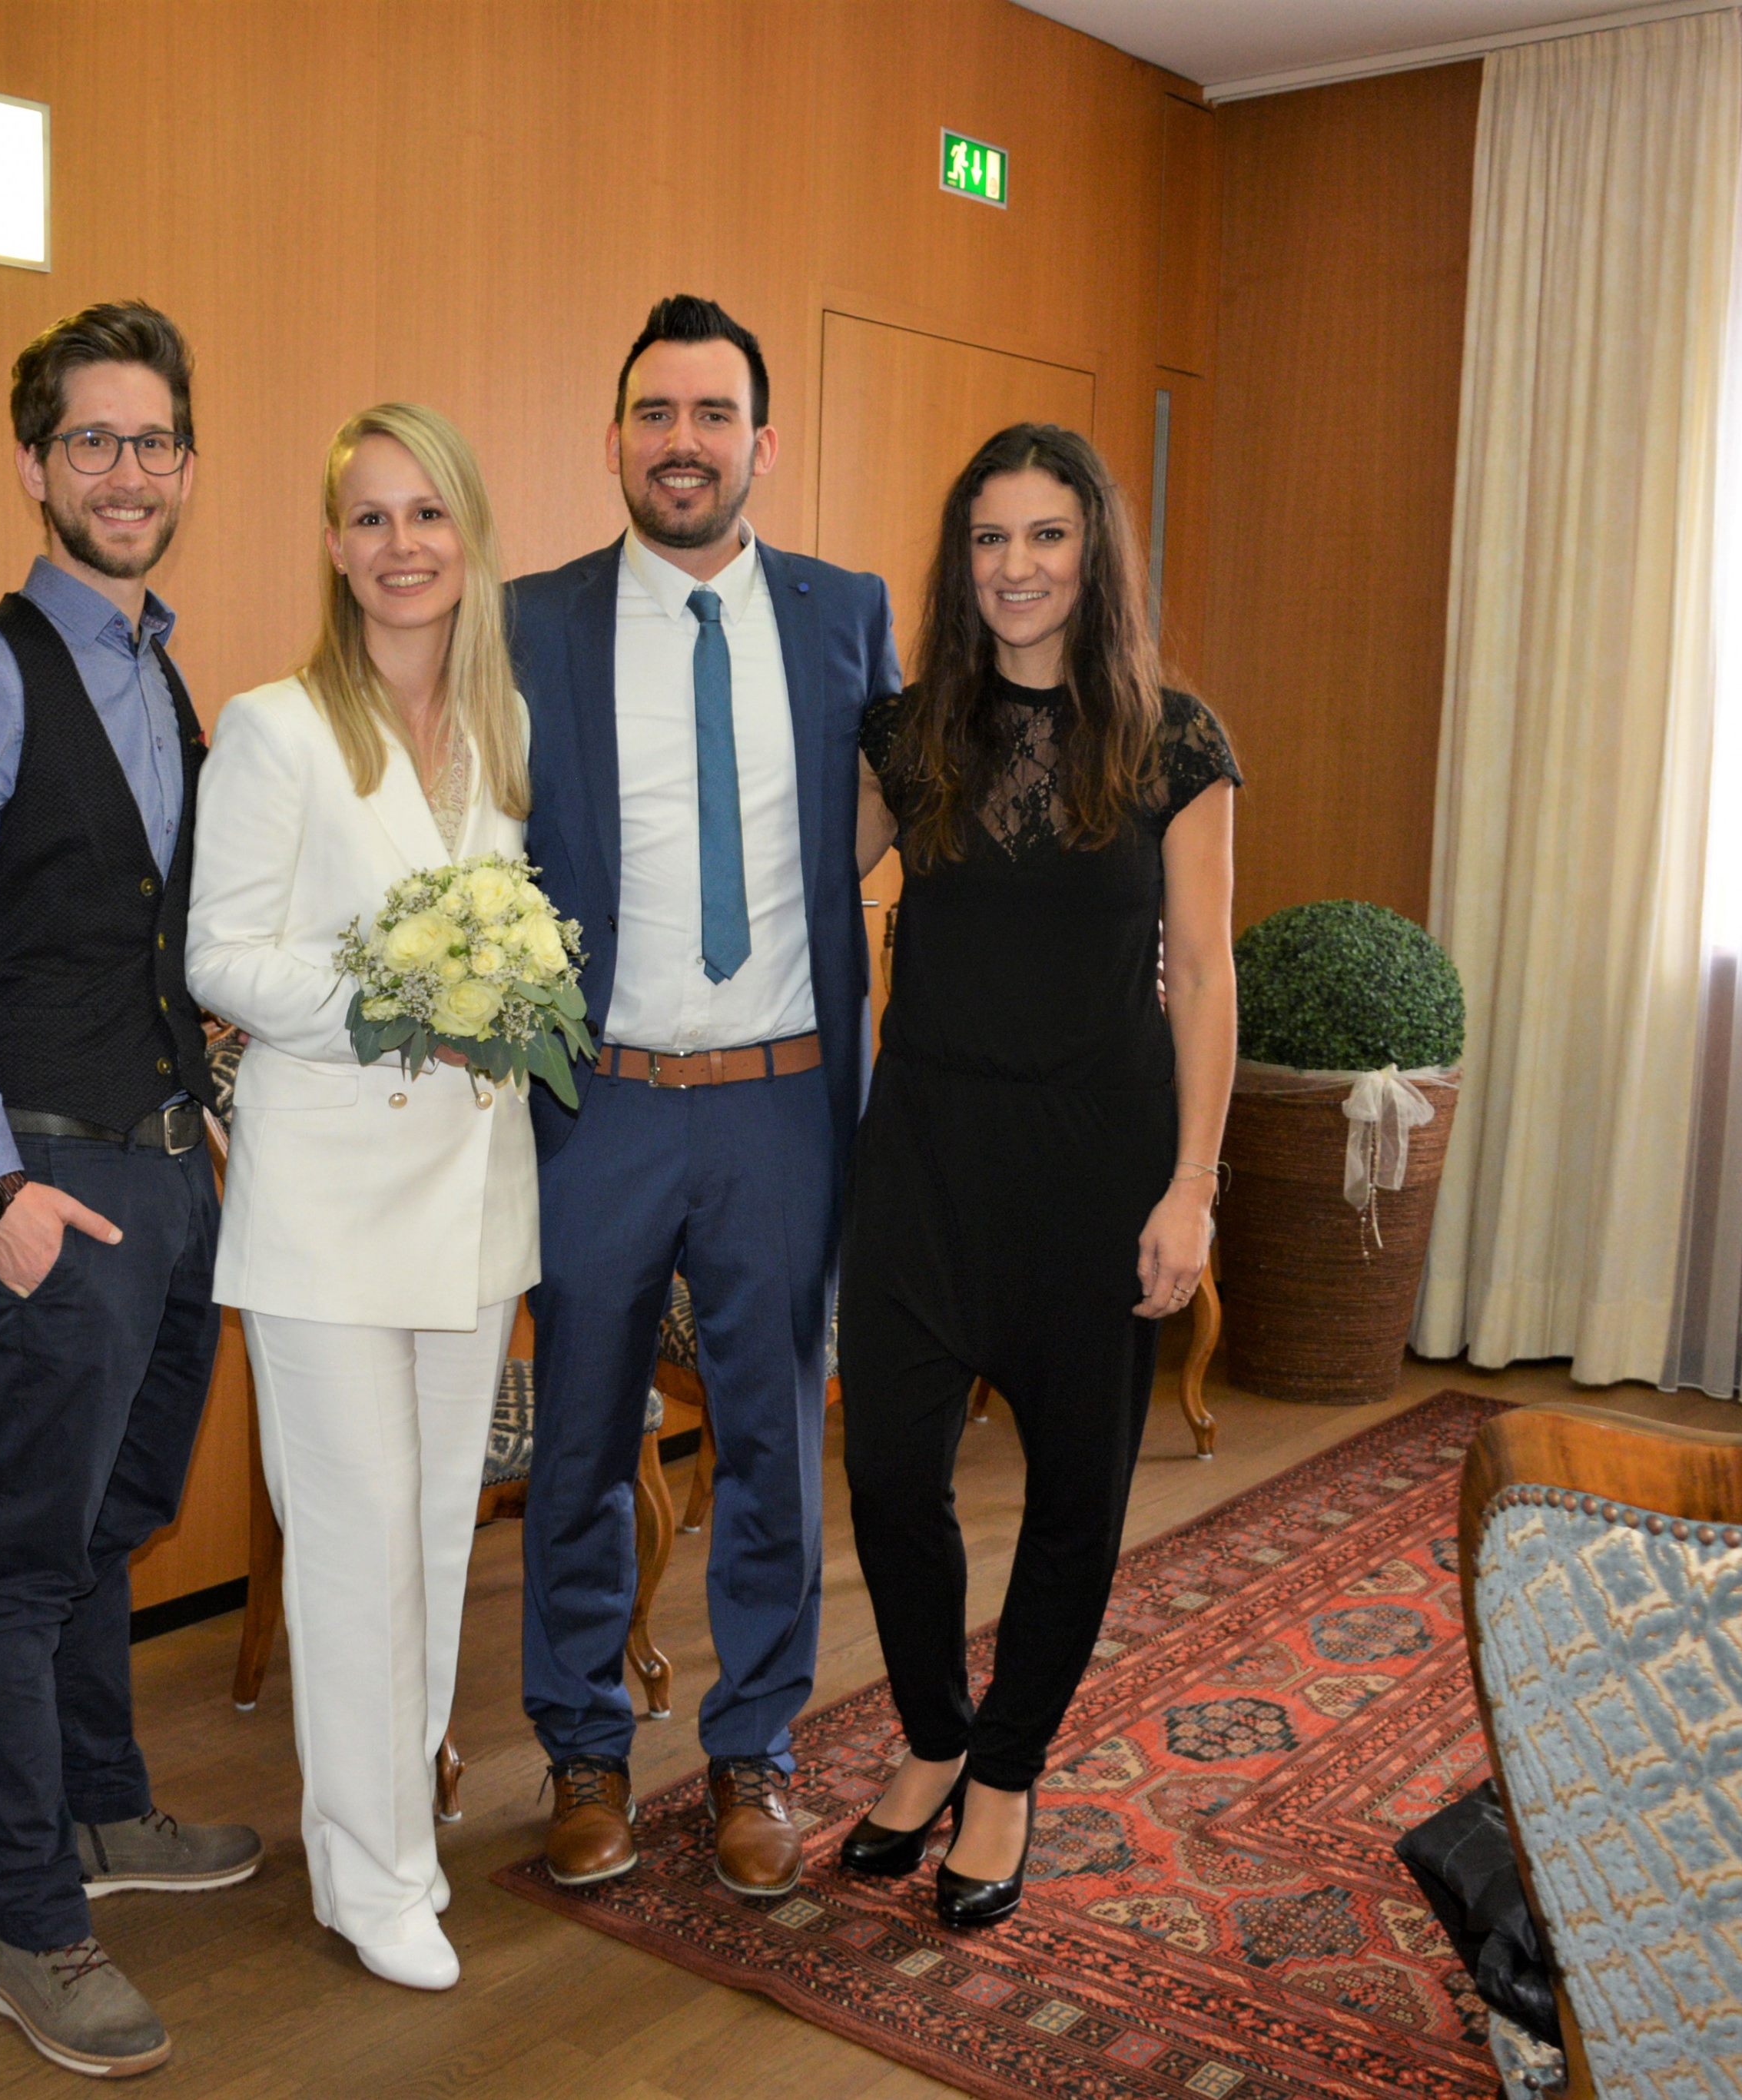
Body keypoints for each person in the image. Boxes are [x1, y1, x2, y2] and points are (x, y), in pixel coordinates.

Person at [509, 295, 900, 1899]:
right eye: (656, 413)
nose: (683, 441)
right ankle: (582, 1747)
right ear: (613, 438)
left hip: (780, 1102)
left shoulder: (844, 613)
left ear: (762, 442)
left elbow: (888, 812)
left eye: (713, 413)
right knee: (581, 1438)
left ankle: (753, 1749)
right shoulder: (529, 619)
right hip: (595, 1101)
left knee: (772, 1442)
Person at [838, 422, 1239, 1929]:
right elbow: (800, 885)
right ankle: (933, 1730)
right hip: (923, 1160)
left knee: (1077, 1493)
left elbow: (1202, 975)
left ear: (1093, 554)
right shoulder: (903, 736)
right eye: (989, 537)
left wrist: (1191, 1184)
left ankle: (1003, 1768)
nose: (1014, 566)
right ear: (962, 560)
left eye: (1045, 535)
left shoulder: (1171, 741)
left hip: (1096, 1167)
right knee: (888, 1475)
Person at [0, 300, 259, 2082]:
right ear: (36, 464)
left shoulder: (163, 672)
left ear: (186, 465)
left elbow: (158, 932)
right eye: (90, 442)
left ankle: (107, 1806)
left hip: (167, 1164)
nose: (124, 472)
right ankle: (28, 1922)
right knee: (20, 1557)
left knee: (113, 1517)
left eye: (151, 442)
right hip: (45, 1171)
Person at [187, 403, 538, 1992]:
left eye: (427, 513)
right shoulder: (274, 728)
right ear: (334, 546)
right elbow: (219, 957)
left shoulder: (505, 729)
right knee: (353, 1545)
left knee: (433, 1538)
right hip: (326, 1204)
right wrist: (397, 998)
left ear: (468, 535)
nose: (403, 545)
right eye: (372, 518)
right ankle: (371, 1874)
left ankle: (396, 1825)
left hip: (472, 1199)